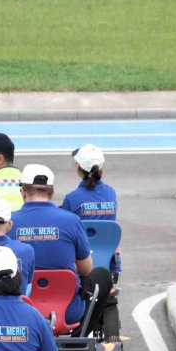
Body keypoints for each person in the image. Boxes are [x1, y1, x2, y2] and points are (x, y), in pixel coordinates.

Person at [11, 164, 115, 341]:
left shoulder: (9, 223)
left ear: (22, 191)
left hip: (21, 310)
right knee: (103, 276)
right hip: (68, 310)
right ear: (52, 192)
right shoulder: (71, 221)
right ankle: (77, 344)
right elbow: (86, 269)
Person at [60, 144, 121, 338]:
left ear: (78, 167)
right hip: (105, 260)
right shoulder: (111, 194)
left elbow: (65, 226)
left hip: (80, 263)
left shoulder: (72, 199)